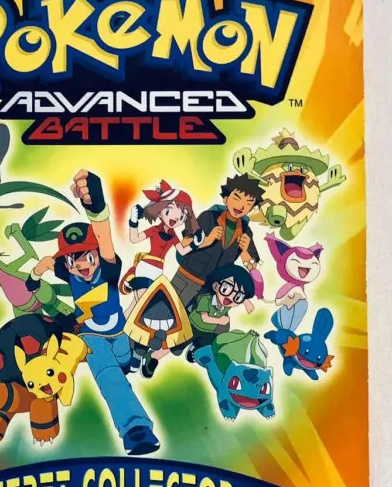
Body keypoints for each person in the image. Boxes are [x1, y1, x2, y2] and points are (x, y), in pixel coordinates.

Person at [33, 169, 160, 456]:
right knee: (110, 378)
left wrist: (96, 206)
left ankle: (134, 359)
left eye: (87, 257)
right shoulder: (67, 271)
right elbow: (48, 263)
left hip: (120, 332)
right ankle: (136, 430)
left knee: (126, 362)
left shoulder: (109, 268)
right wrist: (34, 275)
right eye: (73, 260)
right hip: (91, 337)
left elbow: (104, 238)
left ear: (96, 255)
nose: (82, 266)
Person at [171, 173, 265, 311]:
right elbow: (184, 243)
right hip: (188, 276)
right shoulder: (208, 217)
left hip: (214, 289)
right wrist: (207, 240)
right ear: (226, 199)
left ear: (251, 208)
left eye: (248, 203)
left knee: (194, 320)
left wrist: (245, 252)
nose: (241, 205)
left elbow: (252, 267)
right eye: (237, 198)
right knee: (170, 310)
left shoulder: (246, 231)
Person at [184, 265, 258, 362]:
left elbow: (239, 295)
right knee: (181, 342)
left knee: (209, 342)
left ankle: (195, 347)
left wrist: (246, 302)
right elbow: (204, 318)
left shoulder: (228, 303)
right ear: (215, 286)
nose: (231, 298)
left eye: (238, 297)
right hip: (193, 324)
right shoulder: (206, 299)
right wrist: (220, 321)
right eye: (226, 289)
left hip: (208, 331)